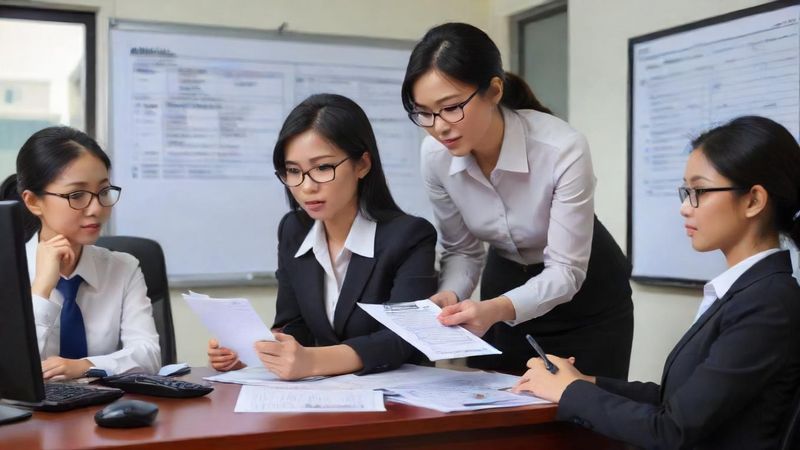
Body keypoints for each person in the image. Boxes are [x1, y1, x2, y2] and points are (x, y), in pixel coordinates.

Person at [514, 116, 800, 449]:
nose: (684, 208)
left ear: (753, 200)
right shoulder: (748, 291)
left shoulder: (769, 303)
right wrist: (582, 381)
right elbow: (675, 399)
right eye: (686, 191)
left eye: (700, 192)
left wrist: (568, 391)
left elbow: (671, 430)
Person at [401, 22, 633, 377]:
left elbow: (566, 270)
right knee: (496, 411)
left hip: (587, 296)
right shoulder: (435, 156)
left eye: (450, 108)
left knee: (586, 417)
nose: (439, 127)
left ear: (493, 90)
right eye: (424, 113)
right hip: (506, 282)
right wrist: (450, 294)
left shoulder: (561, 148)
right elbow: (462, 250)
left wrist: (495, 308)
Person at [207, 94, 437, 379]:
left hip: (400, 400)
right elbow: (295, 325)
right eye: (293, 171)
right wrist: (259, 351)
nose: (306, 187)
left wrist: (313, 362)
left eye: (322, 168)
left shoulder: (410, 237)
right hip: (326, 398)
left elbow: (404, 338)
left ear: (362, 164)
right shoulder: (294, 229)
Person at [0, 126, 161, 380]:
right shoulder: (6, 271)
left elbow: (148, 354)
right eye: (77, 195)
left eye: (103, 192)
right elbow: (7, 370)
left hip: (103, 412)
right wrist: (41, 288)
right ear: (33, 201)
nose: (96, 208)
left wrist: (85, 365)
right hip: (30, 418)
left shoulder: (123, 267)